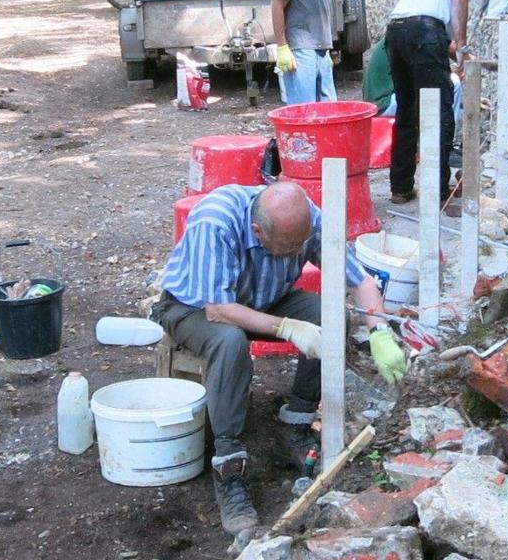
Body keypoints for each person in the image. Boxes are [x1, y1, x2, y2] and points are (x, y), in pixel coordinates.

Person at [152, 181, 404, 534]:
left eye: (301, 245)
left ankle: (296, 423)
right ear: (257, 230)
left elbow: (358, 280)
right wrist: (287, 327)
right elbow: (219, 310)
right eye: (287, 249)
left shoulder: (305, 220)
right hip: (193, 308)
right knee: (229, 342)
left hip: (263, 300)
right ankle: (228, 464)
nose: (297, 254)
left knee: (331, 315)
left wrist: (378, 330)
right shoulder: (216, 221)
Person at [384, 0, 482, 205]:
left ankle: (401, 187)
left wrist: (455, 51)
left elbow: (429, 29)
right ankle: (436, 191)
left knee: (407, 111)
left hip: (396, 32)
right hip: (423, 33)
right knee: (440, 113)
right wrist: (462, 48)